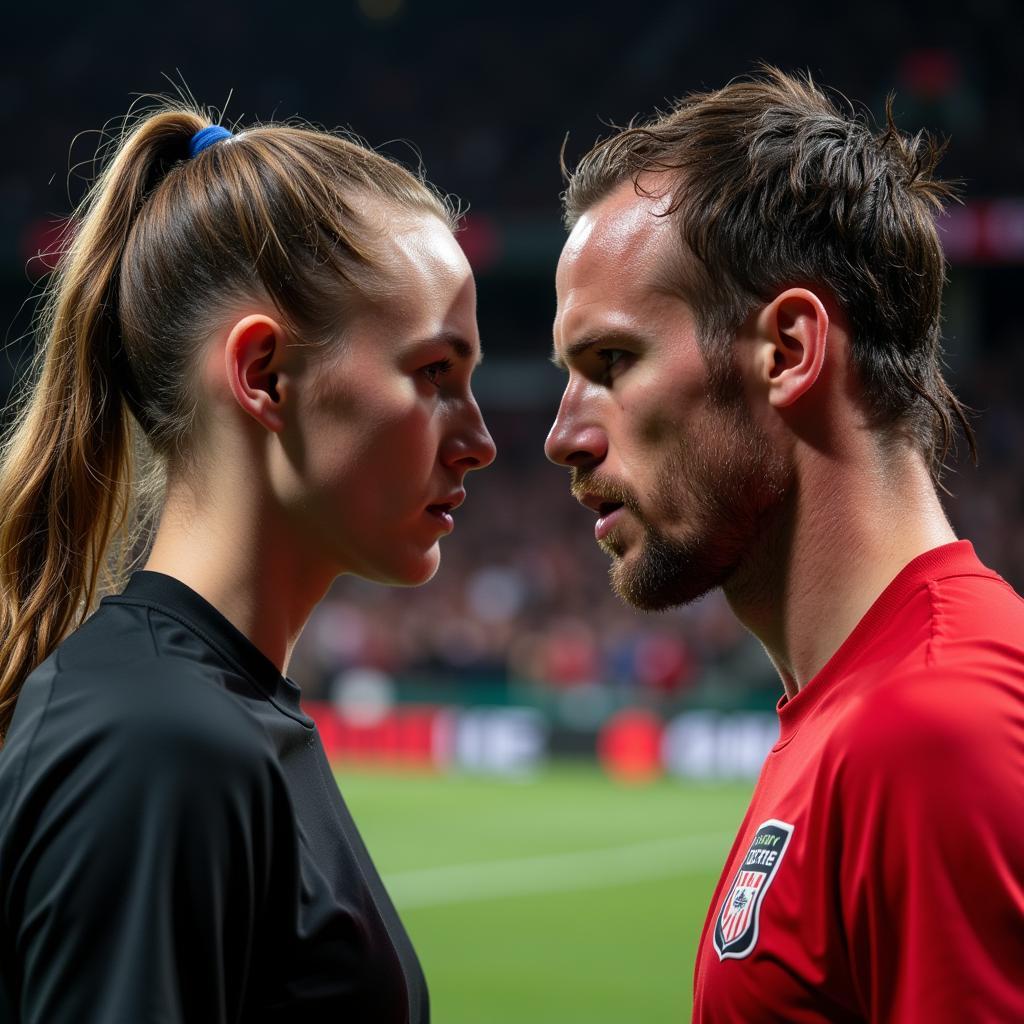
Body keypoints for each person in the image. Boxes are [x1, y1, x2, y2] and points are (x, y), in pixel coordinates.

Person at [545, 68, 1024, 1022]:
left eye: (611, 363)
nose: (564, 434)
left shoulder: (935, 735)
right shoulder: (861, 710)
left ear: (790, 350)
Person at [0, 105, 495, 1023]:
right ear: (264, 374)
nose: (480, 441)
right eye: (434, 374)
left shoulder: (207, 715)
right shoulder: (155, 745)